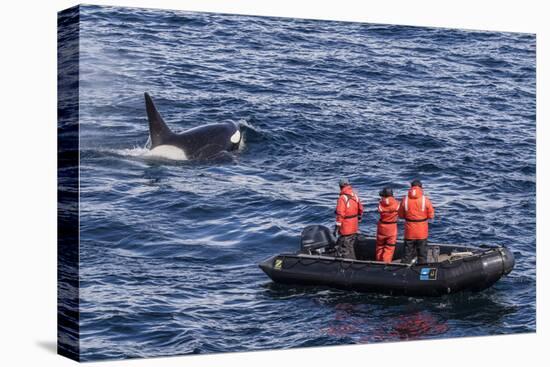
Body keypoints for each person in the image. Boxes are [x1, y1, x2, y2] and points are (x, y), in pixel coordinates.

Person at [398, 179, 435, 264]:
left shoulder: (405, 199)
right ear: (421, 188)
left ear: (411, 187)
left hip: (409, 231)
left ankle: (404, 270)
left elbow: (400, 215)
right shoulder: (425, 200)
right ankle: (422, 270)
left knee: (407, 253)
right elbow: (431, 215)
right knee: (422, 254)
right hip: (421, 232)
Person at [334, 178, 364, 259]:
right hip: (354, 226)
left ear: (340, 186)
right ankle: (354, 261)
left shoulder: (342, 198)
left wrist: (337, 227)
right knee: (351, 245)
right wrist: (359, 218)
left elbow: (340, 213)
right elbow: (361, 209)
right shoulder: (355, 195)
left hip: (346, 227)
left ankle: (349, 264)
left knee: (345, 247)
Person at [376, 187, 399, 263]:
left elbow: (381, 207)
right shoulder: (397, 204)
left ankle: (378, 262)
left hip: (381, 227)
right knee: (389, 247)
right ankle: (385, 264)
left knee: (380, 246)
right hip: (391, 228)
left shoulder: (380, 204)